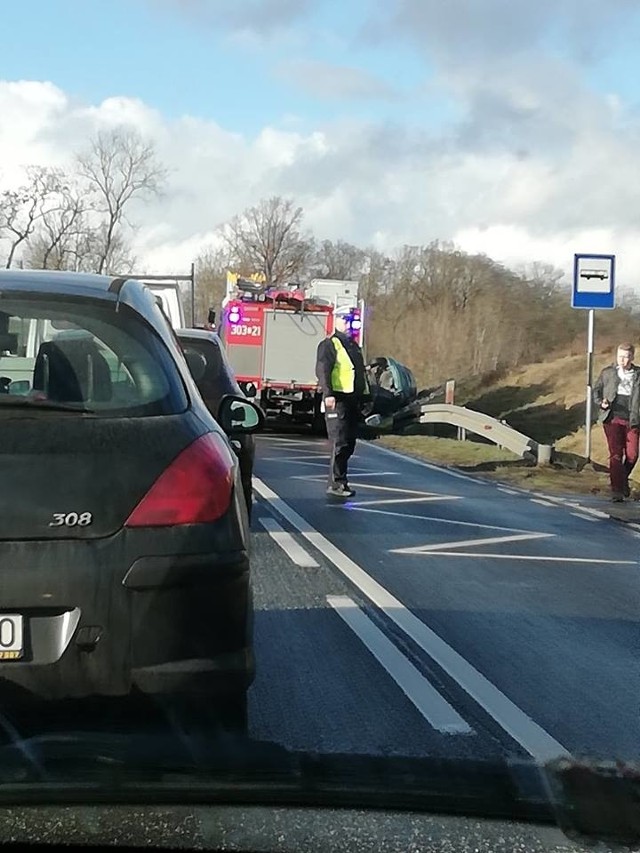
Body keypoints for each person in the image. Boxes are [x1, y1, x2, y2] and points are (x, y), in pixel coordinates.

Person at [315, 306, 368, 497]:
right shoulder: (330, 344)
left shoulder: (352, 346)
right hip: (337, 399)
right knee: (339, 441)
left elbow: (358, 373)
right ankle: (336, 483)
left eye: (350, 319)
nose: (348, 323)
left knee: (348, 443)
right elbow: (323, 369)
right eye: (344, 319)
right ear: (335, 321)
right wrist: (328, 393)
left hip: (351, 399)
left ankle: (341, 480)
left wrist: (365, 396)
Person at [593, 342, 640, 502]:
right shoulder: (608, 372)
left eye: (626, 357)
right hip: (612, 418)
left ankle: (621, 479)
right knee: (616, 454)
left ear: (632, 357)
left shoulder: (638, 374)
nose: (623, 360)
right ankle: (617, 491)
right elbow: (596, 390)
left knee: (633, 455)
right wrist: (601, 402)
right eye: (620, 357)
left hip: (632, 420)